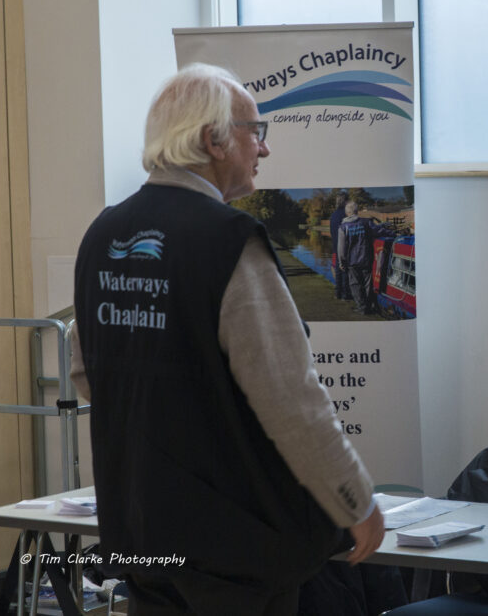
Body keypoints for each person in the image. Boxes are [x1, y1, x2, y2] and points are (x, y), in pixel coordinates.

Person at [70, 63, 384, 616]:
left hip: (141, 532)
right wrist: (353, 500)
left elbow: (90, 374)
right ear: (213, 139)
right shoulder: (226, 240)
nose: (262, 149)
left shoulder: (103, 233)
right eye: (254, 131)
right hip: (232, 546)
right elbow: (291, 399)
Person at [336, 201, 395, 315]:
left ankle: (361, 307)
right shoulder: (366, 223)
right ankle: (368, 306)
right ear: (357, 211)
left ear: (347, 213)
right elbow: (379, 231)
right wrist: (392, 234)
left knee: (355, 284)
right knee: (368, 283)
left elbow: (341, 248)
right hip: (366, 258)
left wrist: (341, 262)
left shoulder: (343, 227)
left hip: (352, 261)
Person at [328, 193, 351, 300]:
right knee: (345, 270)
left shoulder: (333, 215)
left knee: (338, 271)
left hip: (335, 246)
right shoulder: (346, 215)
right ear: (345, 201)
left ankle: (338, 293)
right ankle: (346, 295)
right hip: (345, 247)